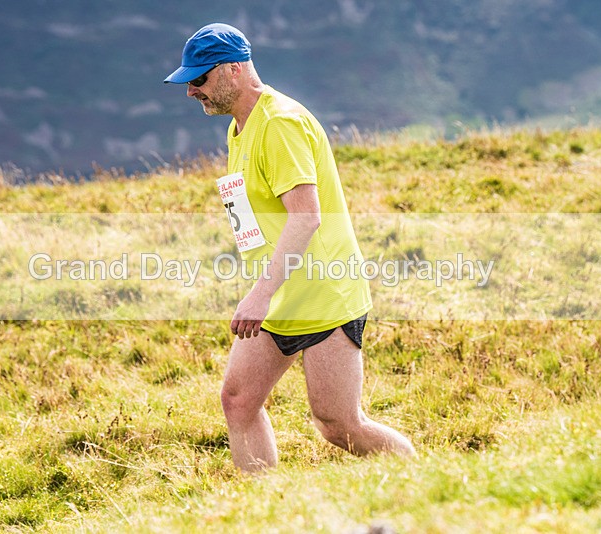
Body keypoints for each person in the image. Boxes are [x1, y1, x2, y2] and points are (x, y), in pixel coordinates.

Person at [164, 23, 415, 473]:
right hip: (280, 297)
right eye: (188, 81)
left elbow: (306, 217)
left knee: (338, 424)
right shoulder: (240, 128)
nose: (191, 92)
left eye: (199, 80)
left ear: (234, 71)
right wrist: (262, 286)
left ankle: (426, 480)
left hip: (323, 297)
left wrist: (259, 293)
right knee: (238, 401)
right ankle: (263, 511)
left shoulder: (279, 123)